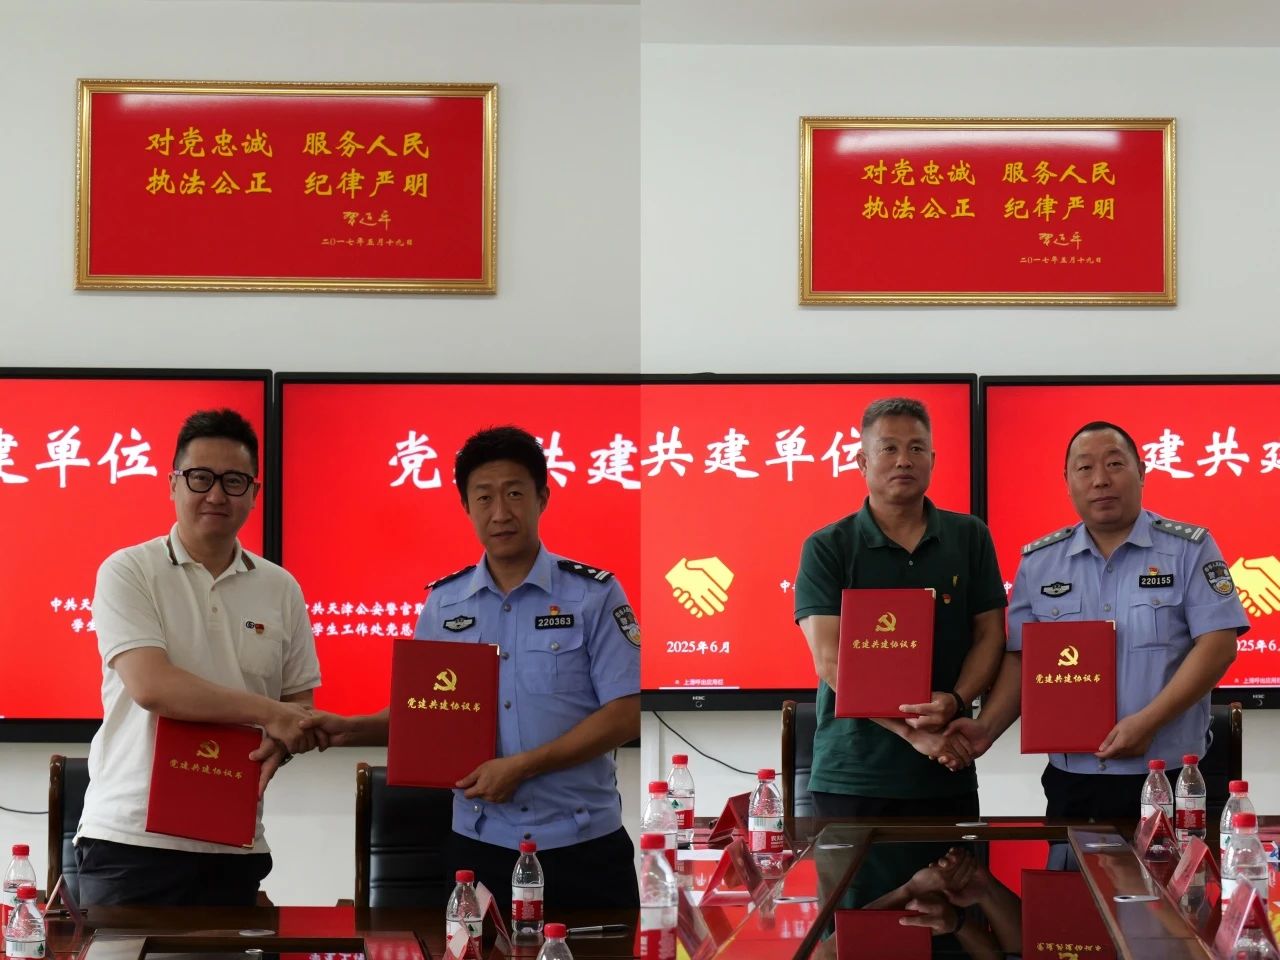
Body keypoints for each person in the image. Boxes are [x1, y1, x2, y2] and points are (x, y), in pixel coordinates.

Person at [304, 425, 641, 912]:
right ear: (466, 506)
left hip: (583, 846)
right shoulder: (444, 605)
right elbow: (425, 716)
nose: (500, 512)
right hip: (481, 847)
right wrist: (348, 727)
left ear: (543, 498)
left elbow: (627, 712)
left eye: (514, 494)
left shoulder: (594, 594)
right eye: (484, 497)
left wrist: (524, 766)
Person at [75, 408, 321, 907]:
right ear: (173, 484)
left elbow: (299, 704)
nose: (216, 495)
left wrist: (284, 740)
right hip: (130, 839)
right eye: (200, 477)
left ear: (254, 492)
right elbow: (152, 687)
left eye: (234, 481)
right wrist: (270, 713)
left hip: (233, 838)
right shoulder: (128, 570)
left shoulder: (281, 588)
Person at [945, 421, 1248, 819]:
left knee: (1172, 864)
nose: (1100, 479)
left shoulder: (1190, 550)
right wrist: (986, 729)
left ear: (1141, 472)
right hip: (1074, 779)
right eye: (1085, 468)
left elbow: (1219, 647)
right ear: (1068, 482)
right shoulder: (1040, 563)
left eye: (1114, 464)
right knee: (1069, 863)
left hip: (1170, 775)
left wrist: (1146, 723)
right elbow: (1022, 661)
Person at [793, 397, 1007, 819]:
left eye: (916, 448)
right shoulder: (828, 546)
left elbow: (990, 635)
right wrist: (912, 735)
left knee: (953, 866)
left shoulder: (970, 536)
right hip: (852, 774)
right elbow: (830, 661)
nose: (904, 460)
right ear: (862, 462)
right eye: (889, 448)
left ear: (932, 460)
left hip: (948, 763)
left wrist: (957, 700)